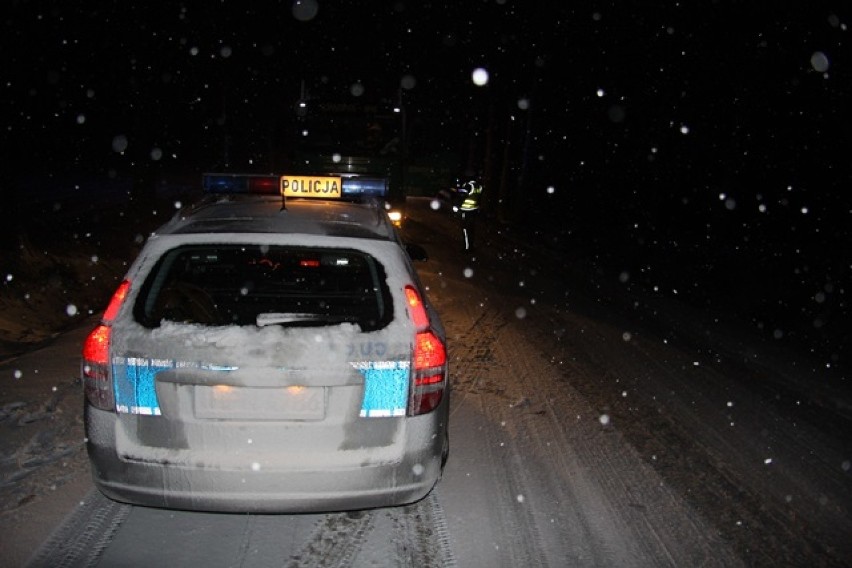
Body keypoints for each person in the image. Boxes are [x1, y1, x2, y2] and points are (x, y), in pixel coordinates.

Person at [455, 180, 482, 251]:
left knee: (465, 230)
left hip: (466, 211)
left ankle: (466, 247)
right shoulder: (479, 186)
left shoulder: (469, 185)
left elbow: (462, 196)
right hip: (474, 210)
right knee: (471, 230)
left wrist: (457, 206)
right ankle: (471, 246)